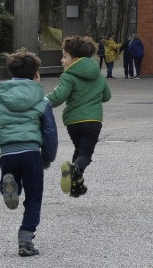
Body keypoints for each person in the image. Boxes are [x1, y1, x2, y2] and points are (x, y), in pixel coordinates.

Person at [0, 50, 58, 257]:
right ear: (36, 74)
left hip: (8, 152)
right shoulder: (42, 99)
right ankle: (26, 237)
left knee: (11, 180)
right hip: (31, 153)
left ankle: (9, 188)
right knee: (34, 196)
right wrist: (47, 158)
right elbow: (50, 132)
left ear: (10, 71)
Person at [46, 36, 111, 199]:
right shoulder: (98, 75)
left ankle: (76, 185)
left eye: (64, 56)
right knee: (85, 155)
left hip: (74, 122)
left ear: (75, 59)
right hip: (94, 121)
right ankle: (75, 173)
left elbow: (58, 97)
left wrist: (41, 101)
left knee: (80, 152)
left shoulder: (68, 76)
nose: (62, 60)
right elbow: (107, 96)